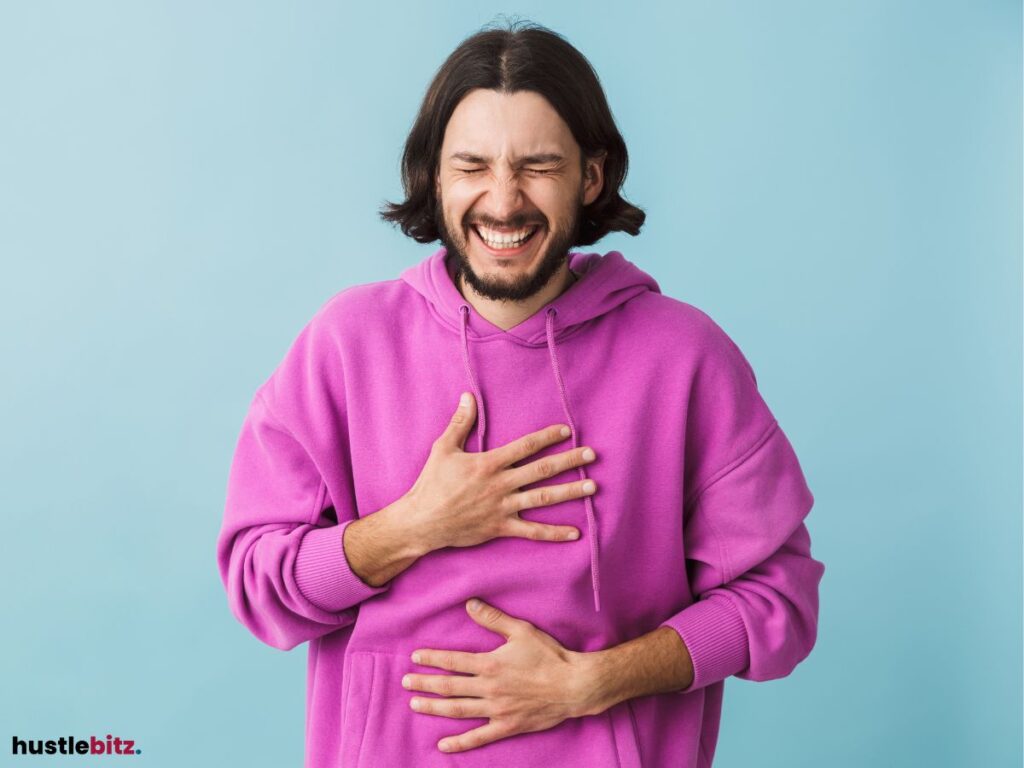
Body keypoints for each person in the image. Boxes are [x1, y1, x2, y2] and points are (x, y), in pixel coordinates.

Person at [216, 18, 825, 768]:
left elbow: (781, 601)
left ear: (591, 177)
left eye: (537, 166)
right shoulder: (345, 345)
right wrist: (411, 525)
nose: (503, 202)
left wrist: (594, 683)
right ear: (434, 177)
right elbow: (257, 586)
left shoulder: (685, 358)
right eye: (471, 166)